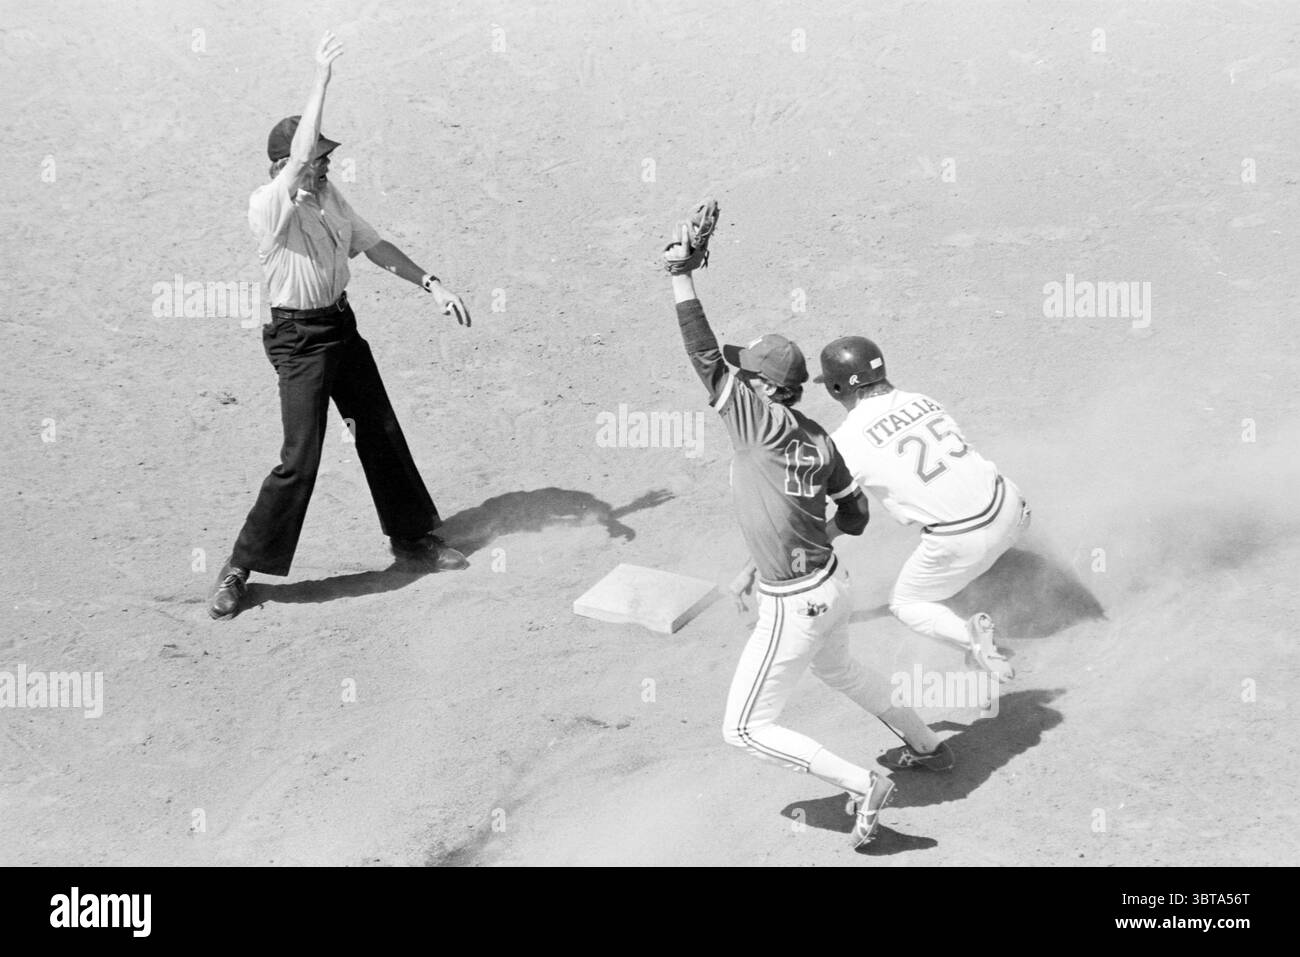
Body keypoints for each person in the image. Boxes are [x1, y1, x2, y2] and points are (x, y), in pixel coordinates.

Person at [664, 215, 949, 848]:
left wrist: (681, 276)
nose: (737, 379)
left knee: (743, 729)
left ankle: (863, 785)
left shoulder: (755, 420)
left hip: (795, 602)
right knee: (841, 671)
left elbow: (703, 356)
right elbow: (856, 516)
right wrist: (784, 545)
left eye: (748, 374)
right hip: (832, 584)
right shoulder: (820, 438)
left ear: (767, 387)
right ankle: (927, 744)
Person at [209, 32, 473, 621]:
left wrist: (432, 284)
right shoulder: (269, 206)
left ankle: (411, 537)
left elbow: (374, 246)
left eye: (327, 158)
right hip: (299, 341)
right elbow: (302, 153)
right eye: (317, 158)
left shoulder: (330, 197)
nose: (326, 164)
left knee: (379, 429)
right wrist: (321, 79)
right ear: (285, 166)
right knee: (300, 457)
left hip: (340, 329)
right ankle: (238, 568)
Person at [816, 336, 1030, 767]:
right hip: (1014, 508)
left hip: (964, 540)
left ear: (837, 389)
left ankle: (974, 641)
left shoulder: (845, 442)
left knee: (907, 602)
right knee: (972, 529)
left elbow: (838, 509)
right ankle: (992, 579)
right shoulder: (922, 401)